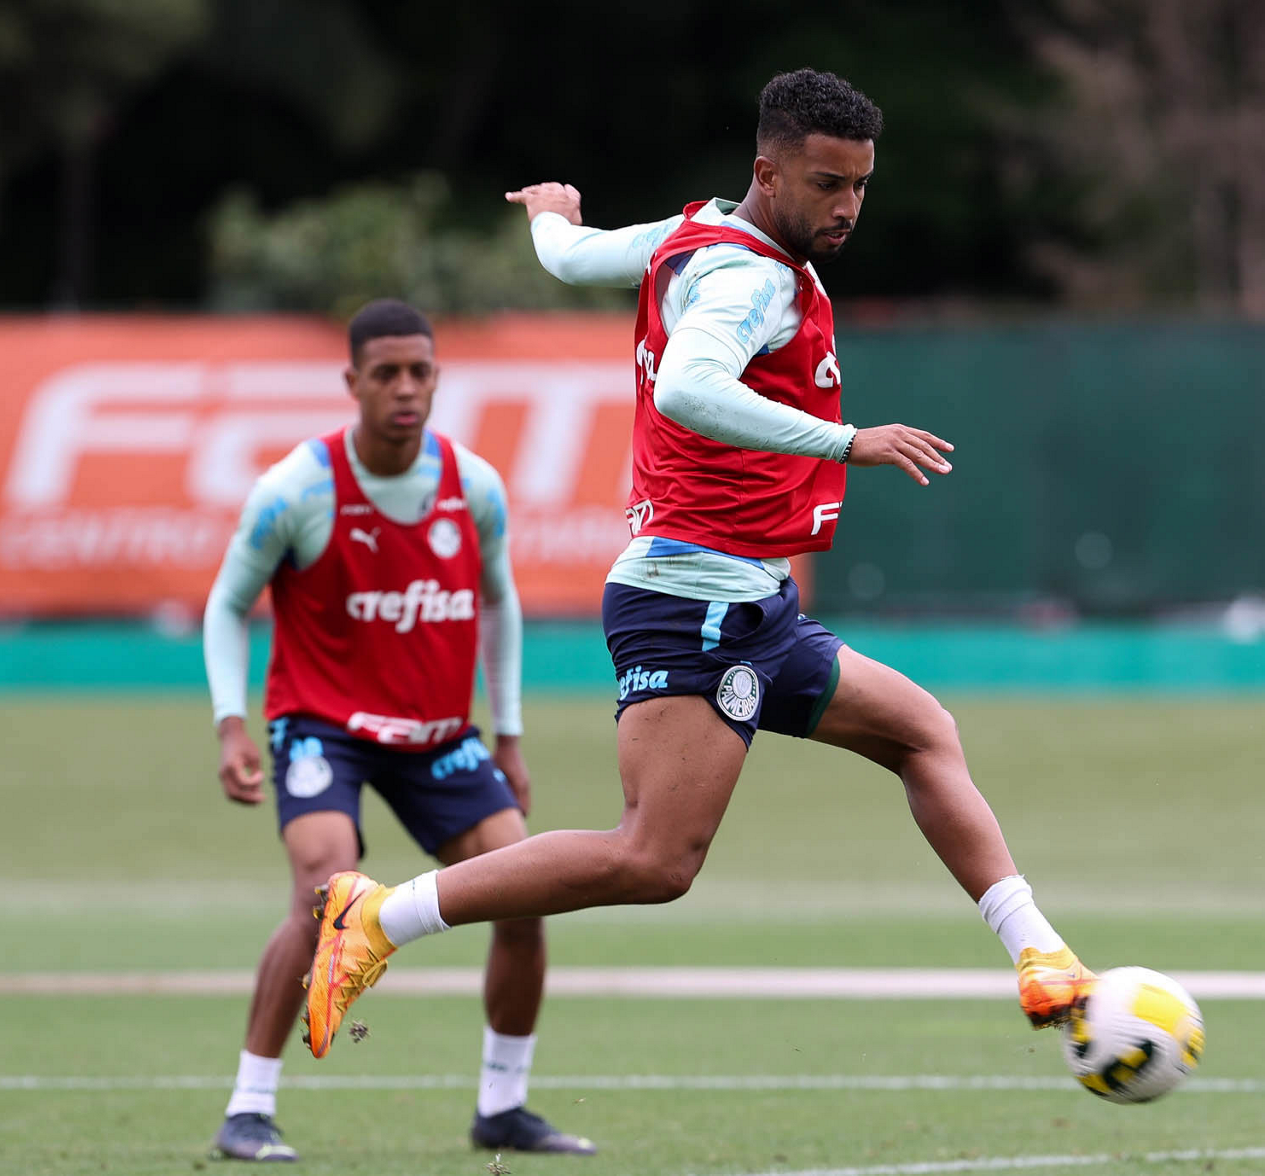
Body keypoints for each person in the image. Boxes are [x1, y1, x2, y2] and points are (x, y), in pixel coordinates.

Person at [301, 69, 1095, 1073]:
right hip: (692, 598)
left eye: (859, 184)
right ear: (768, 171)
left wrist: (549, 216)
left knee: (920, 732)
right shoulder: (750, 279)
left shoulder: (694, 232)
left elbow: (573, 258)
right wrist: (846, 441)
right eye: (826, 184)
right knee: (652, 859)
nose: (846, 206)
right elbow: (686, 386)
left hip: (750, 599)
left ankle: (1040, 955)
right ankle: (379, 917)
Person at [202, 299, 596, 1162]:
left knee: (524, 892)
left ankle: (503, 1106)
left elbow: (498, 601)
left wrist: (509, 735)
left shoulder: (472, 485)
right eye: (387, 374)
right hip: (323, 727)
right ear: (353, 382)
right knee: (324, 892)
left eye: (420, 372)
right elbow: (227, 605)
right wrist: (233, 725)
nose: (406, 388)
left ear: (437, 378)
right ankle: (248, 1108)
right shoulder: (297, 490)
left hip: (438, 736)